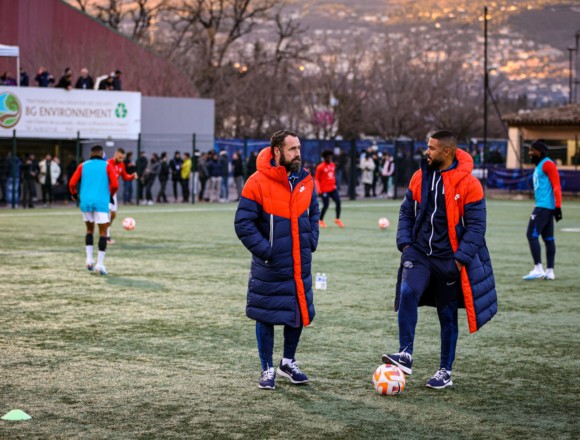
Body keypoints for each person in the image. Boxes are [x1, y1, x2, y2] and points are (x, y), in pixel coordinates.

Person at [383, 130, 497, 389]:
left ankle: (445, 371)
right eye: (428, 147)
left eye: (432, 148)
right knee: (407, 292)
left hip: (449, 260)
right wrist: (406, 244)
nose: (427, 152)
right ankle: (405, 354)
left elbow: (477, 227)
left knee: (447, 316)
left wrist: (459, 260)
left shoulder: (469, 183)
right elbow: (405, 211)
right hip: (419, 254)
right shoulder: (419, 176)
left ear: (447, 152)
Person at [234, 129, 320, 390]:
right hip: (271, 264)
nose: (298, 154)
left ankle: (288, 362)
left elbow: (314, 213)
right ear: (277, 151)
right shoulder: (257, 182)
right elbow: (243, 223)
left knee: (298, 312)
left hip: (299, 262)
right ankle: (267, 368)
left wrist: (310, 241)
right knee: (267, 314)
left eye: (299, 148)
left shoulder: (306, 181)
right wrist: (267, 251)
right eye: (292, 149)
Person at [69, 145, 119, 276]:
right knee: (103, 233)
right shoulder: (107, 165)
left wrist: (74, 194)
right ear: (102, 154)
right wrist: (110, 195)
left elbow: (72, 183)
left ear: (91, 154)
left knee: (89, 230)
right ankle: (100, 264)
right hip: (101, 202)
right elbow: (115, 185)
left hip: (85, 202)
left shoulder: (83, 165)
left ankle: (89, 260)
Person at [522, 140, 563, 280]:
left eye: (532, 150)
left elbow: (556, 186)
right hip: (544, 206)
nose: (529, 153)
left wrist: (558, 207)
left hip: (543, 207)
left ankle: (538, 268)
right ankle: (550, 272)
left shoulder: (547, 164)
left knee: (531, 234)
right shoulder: (540, 165)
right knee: (548, 238)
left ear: (538, 152)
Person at [107, 148, 137, 243]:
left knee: (113, 215)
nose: (121, 159)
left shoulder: (121, 165)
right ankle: (106, 236)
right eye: (120, 157)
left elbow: (125, 176)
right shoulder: (108, 163)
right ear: (116, 154)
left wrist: (132, 176)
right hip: (104, 192)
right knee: (108, 214)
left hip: (113, 193)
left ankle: (105, 230)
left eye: (123, 158)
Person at [315, 150, 344, 228]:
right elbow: (317, 179)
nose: (330, 158)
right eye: (328, 157)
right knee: (326, 205)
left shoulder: (332, 165)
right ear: (324, 158)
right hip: (324, 190)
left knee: (338, 201)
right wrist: (318, 190)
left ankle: (337, 219)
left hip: (332, 189)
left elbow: (332, 175)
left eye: (330, 157)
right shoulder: (320, 167)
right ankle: (320, 220)